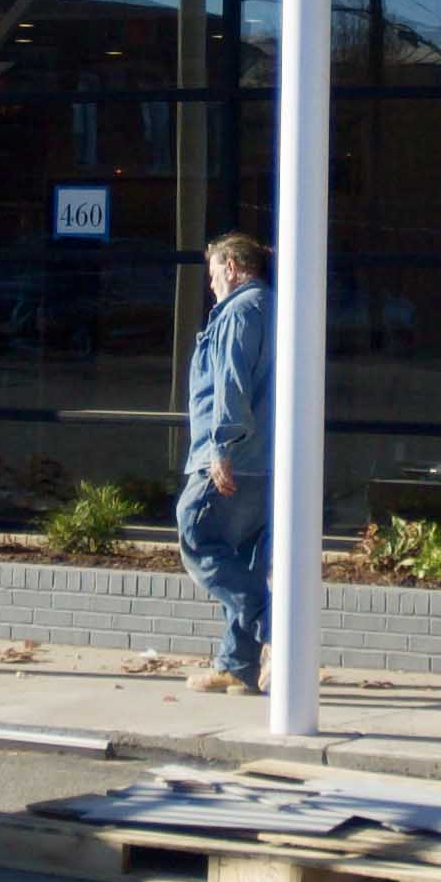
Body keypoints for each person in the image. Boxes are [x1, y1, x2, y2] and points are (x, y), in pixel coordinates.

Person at [175, 228, 275, 695]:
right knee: (243, 560)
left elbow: (230, 388)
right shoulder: (276, 307)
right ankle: (237, 666)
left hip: (234, 456)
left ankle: (277, 631)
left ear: (232, 268)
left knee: (195, 533)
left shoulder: (239, 313)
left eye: (213, 272)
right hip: (270, 460)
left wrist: (221, 448)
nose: (211, 283)